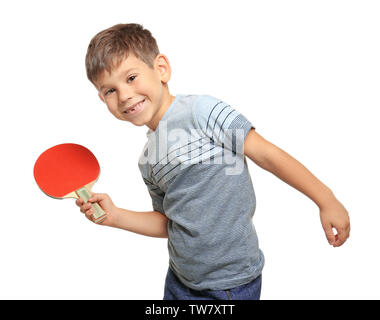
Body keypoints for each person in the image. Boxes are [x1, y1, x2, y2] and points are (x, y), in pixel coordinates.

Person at [77, 23, 350, 300]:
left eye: (131, 77)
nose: (123, 95)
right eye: (109, 90)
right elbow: (168, 223)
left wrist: (325, 199)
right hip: (180, 281)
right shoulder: (147, 161)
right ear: (102, 99)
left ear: (161, 69)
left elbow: (266, 154)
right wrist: (115, 216)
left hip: (231, 285)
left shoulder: (202, 111)